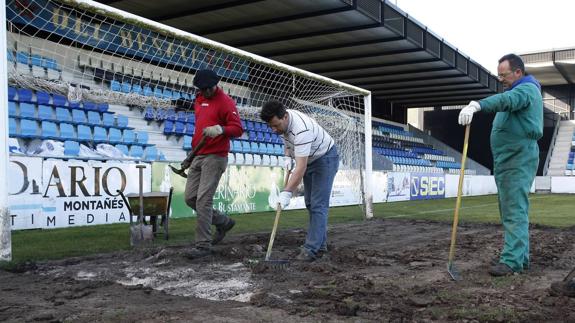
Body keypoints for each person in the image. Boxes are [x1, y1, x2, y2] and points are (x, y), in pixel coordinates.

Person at [458, 54, 542, 276]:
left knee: (514, 209)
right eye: (499, 75)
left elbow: (506, 101)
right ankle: (519, 259)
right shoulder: (520, 90)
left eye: (504, 75)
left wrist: (478, 105)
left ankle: (512, 261)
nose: (501, 79)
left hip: (517, 157)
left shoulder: (525, 90)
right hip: (510, 158)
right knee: (512, 209)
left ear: (518, 72)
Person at [260, 100, 339, 262]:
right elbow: (288, 141)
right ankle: (320, 245)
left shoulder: (301, 130)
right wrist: (287, 156)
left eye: (276, 125)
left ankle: (311, 248)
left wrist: (287, 192)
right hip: (309, 158)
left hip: (324, 158)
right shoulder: (283, 124)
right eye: (271, 126)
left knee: (318, 204)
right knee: (310, 203)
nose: (274, 130)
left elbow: (300, 167)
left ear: (285, 117)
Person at [184, 69, 243, 258]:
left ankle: (203, 245)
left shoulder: (226, 102)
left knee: (203, 200)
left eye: (208, 89)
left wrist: (220, 129)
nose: (205, 92)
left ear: (215, 85)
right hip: (198, 154)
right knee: (190, 198)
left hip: (215, 156)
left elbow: (238, 129)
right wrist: (191, 155)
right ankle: (223, 222)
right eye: (202, 89)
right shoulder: (199, 98)